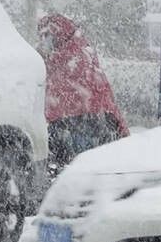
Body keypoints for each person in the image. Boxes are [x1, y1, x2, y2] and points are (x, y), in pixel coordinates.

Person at [37, 14, 129, 170]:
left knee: (84, 170)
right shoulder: (79, 50)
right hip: (92, 122)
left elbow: (64, 94)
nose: (43, 40)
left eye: (47, 35)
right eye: (41, 36)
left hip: (87, 123)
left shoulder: (74, 56)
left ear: (58, 34)